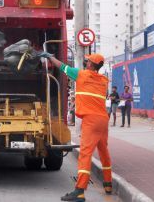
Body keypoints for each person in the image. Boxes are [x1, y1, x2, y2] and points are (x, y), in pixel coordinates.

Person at [39, 53, 112, 202]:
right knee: (103, 151)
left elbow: (62, 67)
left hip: (90, 120)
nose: (85, 62)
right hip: (103, 120)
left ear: (91, 64)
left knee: (85, 154)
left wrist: (51, 57)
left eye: (88, 61)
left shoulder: (82, 75)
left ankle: (79, 191)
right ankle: (108, 184)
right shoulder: (104, 80)